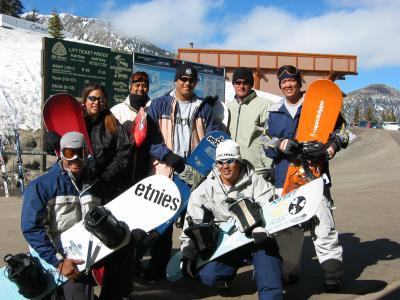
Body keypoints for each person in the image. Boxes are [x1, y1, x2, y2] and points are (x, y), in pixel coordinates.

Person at [21, 132, 143, 300]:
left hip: (89, 249)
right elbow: (31, 228)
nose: (76, 159)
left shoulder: (94, 184)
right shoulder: (43, 186)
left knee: (125, 242)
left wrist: (126, 232)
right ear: (61, 153)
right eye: (70, 153)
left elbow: (109, 215)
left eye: (81, 153)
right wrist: (58, 262)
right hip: (60, 256)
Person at [261, 65, 348, 291]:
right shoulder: (273, 110)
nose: (288, 85)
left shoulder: (318, 104)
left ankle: (332, 274)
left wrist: (332, 147)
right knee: (287, 231)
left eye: (292, 81)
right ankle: (289, 272)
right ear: (280, 85)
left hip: (314, 176)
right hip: (284, 178)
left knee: (323, 227)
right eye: (284, 82)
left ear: (300, 82)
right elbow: (264, 141)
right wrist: (279, 145)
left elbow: (343, 133)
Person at [180, 140, 283, 300]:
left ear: (238, 161)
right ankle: (223, 278)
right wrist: (187, 255)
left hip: (257, 235)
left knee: (266, 250)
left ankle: (271, 294)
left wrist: (262, 227)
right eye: (220, 162)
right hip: (228, 241)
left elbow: (269, 205)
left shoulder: (255, 181)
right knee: (209, 275)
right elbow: (192, 221)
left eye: (230, 161)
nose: (225, 166)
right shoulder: (205, 189)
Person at [144, 62, 218, 279]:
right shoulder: (159, 104)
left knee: (196, 219)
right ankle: (158, 266)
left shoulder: (204, 107)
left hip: (195, 169)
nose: (187, 83)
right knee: (163, 221)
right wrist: (167, 156)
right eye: (183, 79)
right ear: (175, 81)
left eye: (191, 80)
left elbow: (213, 138)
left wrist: (203, 164)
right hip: (167, 168)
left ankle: (196, 264)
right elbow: (149, 137)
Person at [44, 83, 133, 202]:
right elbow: (59, 151)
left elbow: (124, 154)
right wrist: (50, 143)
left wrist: (106, 177)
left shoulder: (112, 123)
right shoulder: (72, 119)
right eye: (92, 98)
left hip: (102, 184)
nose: (96, 102)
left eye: (101, 99)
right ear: (85, 99)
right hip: (73, 181)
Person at [226, 67, 273, 178]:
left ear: (251, 84)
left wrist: (269, 164)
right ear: (233, 84)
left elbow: (270, 137)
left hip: (258, 170)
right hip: (232, 169)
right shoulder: (228, 107)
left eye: (245, 83)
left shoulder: (264, 105)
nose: (241, 86)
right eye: (238, 83)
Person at [111, 71, 151, 183]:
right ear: (130, 87)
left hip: (144, 170)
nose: (140, 89)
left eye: (144, 86)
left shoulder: (153, 110)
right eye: (137, 85)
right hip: (121, 170)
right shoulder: (117, 111)